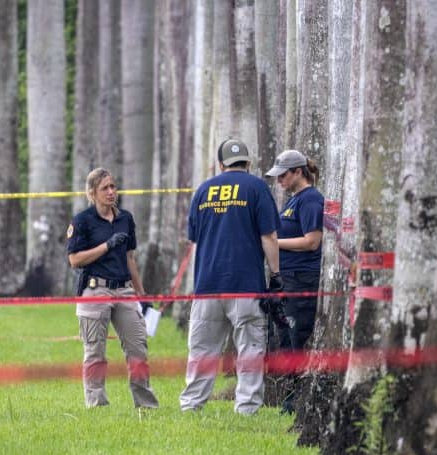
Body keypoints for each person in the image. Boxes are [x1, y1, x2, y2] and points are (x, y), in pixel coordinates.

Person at [179, 138, 281, 414]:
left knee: (202, 351)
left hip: (207, 285)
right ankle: (247, 408)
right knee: (250, 349)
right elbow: (269, 238)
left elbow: (194, 239)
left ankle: (191, 405)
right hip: (246, 285)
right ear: (248, 162)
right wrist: (276, 274)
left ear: (220, 164)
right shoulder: (257, 188)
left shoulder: (203, 191)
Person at [66, 167, 159, 409]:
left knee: (138, 349)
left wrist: (142, 295)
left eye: (113, 186)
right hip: (95, 289)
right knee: (95, 352)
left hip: (124, 290)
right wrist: (106, 246)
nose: (110, 192)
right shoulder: (82, 221)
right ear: (92, 193)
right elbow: (74, 260)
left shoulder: (125, 219)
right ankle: (96, 405)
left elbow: (130, 259)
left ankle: (146, 404)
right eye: (104, 188)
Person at [265, 150, 324, 413]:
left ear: (298, 172)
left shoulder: (311, 200)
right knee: (286, 338)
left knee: (297, 336)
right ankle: (288, 396)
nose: (279, 180)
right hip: (288, 278)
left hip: (302, 279)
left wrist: (274, 243)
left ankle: (295, 399)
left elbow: (312, 241)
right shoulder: (293, 200)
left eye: (283, 175)